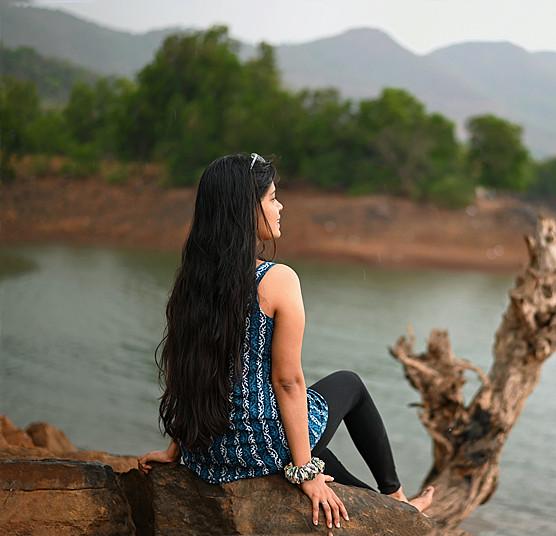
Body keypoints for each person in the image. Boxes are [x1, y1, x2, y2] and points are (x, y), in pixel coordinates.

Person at [137, 153, 433, 530]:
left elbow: (191, 369)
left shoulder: (190, 283)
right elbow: (287, 382)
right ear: (247, 208)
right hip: (260, 446)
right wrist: (305, 473)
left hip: (207, 450)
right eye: (272, 198)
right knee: (350, 385)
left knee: (310, 435)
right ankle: (397, 500)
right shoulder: (276, 280)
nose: (281, 207)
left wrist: (174, 450)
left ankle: (397, 513)